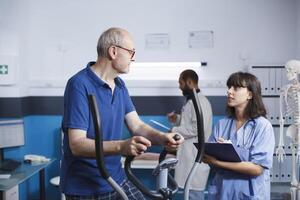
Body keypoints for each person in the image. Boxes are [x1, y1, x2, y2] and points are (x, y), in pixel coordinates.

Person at [60, 27, 184, 200]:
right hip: (86, 187)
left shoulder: (119, 86)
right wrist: (121, 147)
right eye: (131, 52)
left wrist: (163, 137)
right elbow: (76, 144)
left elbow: (137, 125)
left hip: (116, 178)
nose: (134, 58)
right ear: (113, 51)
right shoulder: (79, 84)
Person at [203, 72, 275, 200]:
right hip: (222, 192)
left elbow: (257, 169)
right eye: (229, 87)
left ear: (250, 94)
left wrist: (218, 161)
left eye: (236, 88)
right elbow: (208, 159)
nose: (229, 91)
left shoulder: (263, 126)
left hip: (249, 194)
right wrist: (217, 152)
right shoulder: (222, 124)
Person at [167, 69, 213, 200]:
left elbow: (197, 128)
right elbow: (190, 121)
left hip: (195, 156)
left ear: (189, 82)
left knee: (194, 193)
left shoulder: (201, 102)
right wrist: (176, 118)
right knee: (189, 192)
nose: (179, 87)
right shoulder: (192, 101)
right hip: (189, 155)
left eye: (181, 83)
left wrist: (174, 130)